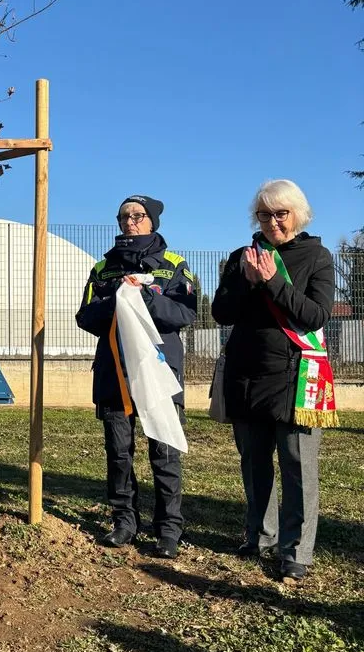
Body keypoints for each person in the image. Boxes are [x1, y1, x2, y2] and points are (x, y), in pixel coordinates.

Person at [211, 179, 337, 581]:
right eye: (264, 214)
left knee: (298, 465)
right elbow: (221, 313)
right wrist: (248, 283)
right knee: (254, 463)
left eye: (280, 214)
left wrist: (273, 282)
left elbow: (316, 316)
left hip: (296, 376)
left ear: (297, 214)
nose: (272, 222)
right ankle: (259, 535)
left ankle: (296, 550)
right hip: (246, 374)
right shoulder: (241, 257)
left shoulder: (317, 256)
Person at [76, 195, 197, 557]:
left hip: (159, 372)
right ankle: (124, 521)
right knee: (118, 452)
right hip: (114, 373)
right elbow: (85, 316)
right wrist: (118, 298)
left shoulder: (174, 264)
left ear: (152, 222)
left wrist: (145, 299)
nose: (130, 222)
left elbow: (185, 313)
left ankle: (169, 529)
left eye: (138, 216)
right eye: (124, 216)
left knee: (164, 451)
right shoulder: (103, 269)